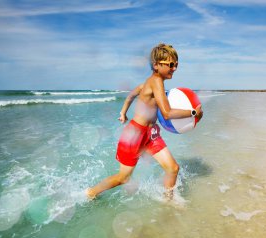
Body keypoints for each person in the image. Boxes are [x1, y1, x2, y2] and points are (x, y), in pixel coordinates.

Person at [86, 43, 203, 202]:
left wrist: (123, 112)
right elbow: (167, 114)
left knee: (173, 168)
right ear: (156, 65)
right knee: (123, 178)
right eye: (170, 64)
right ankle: (91, 192)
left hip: (151, 134)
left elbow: (130, 96)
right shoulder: (156, 81)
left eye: (176, 64)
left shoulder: (149, 83)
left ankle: (168, 200)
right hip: (135, 135)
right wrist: (194, 113)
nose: (174, 68)